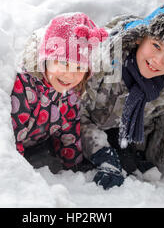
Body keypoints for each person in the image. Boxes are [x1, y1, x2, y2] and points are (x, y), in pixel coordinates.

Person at [80, 2, 164, 189]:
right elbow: (74, 111)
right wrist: (101, 153)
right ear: (139, 38)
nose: (158, 61)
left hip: (112, 129)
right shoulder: (101, 63)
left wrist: (132, 152)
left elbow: (147, 122)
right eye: (156, 46)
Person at [10, 12, 108, 172]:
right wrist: (21, 177)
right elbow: (11, 142)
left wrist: (74, 168)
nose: (69, 75)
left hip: (40, 143)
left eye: (79, 67)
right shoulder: (23, 86)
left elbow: (69, 132)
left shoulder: (71, 92)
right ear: (46, 58)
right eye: (63, 62)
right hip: (18, 152)